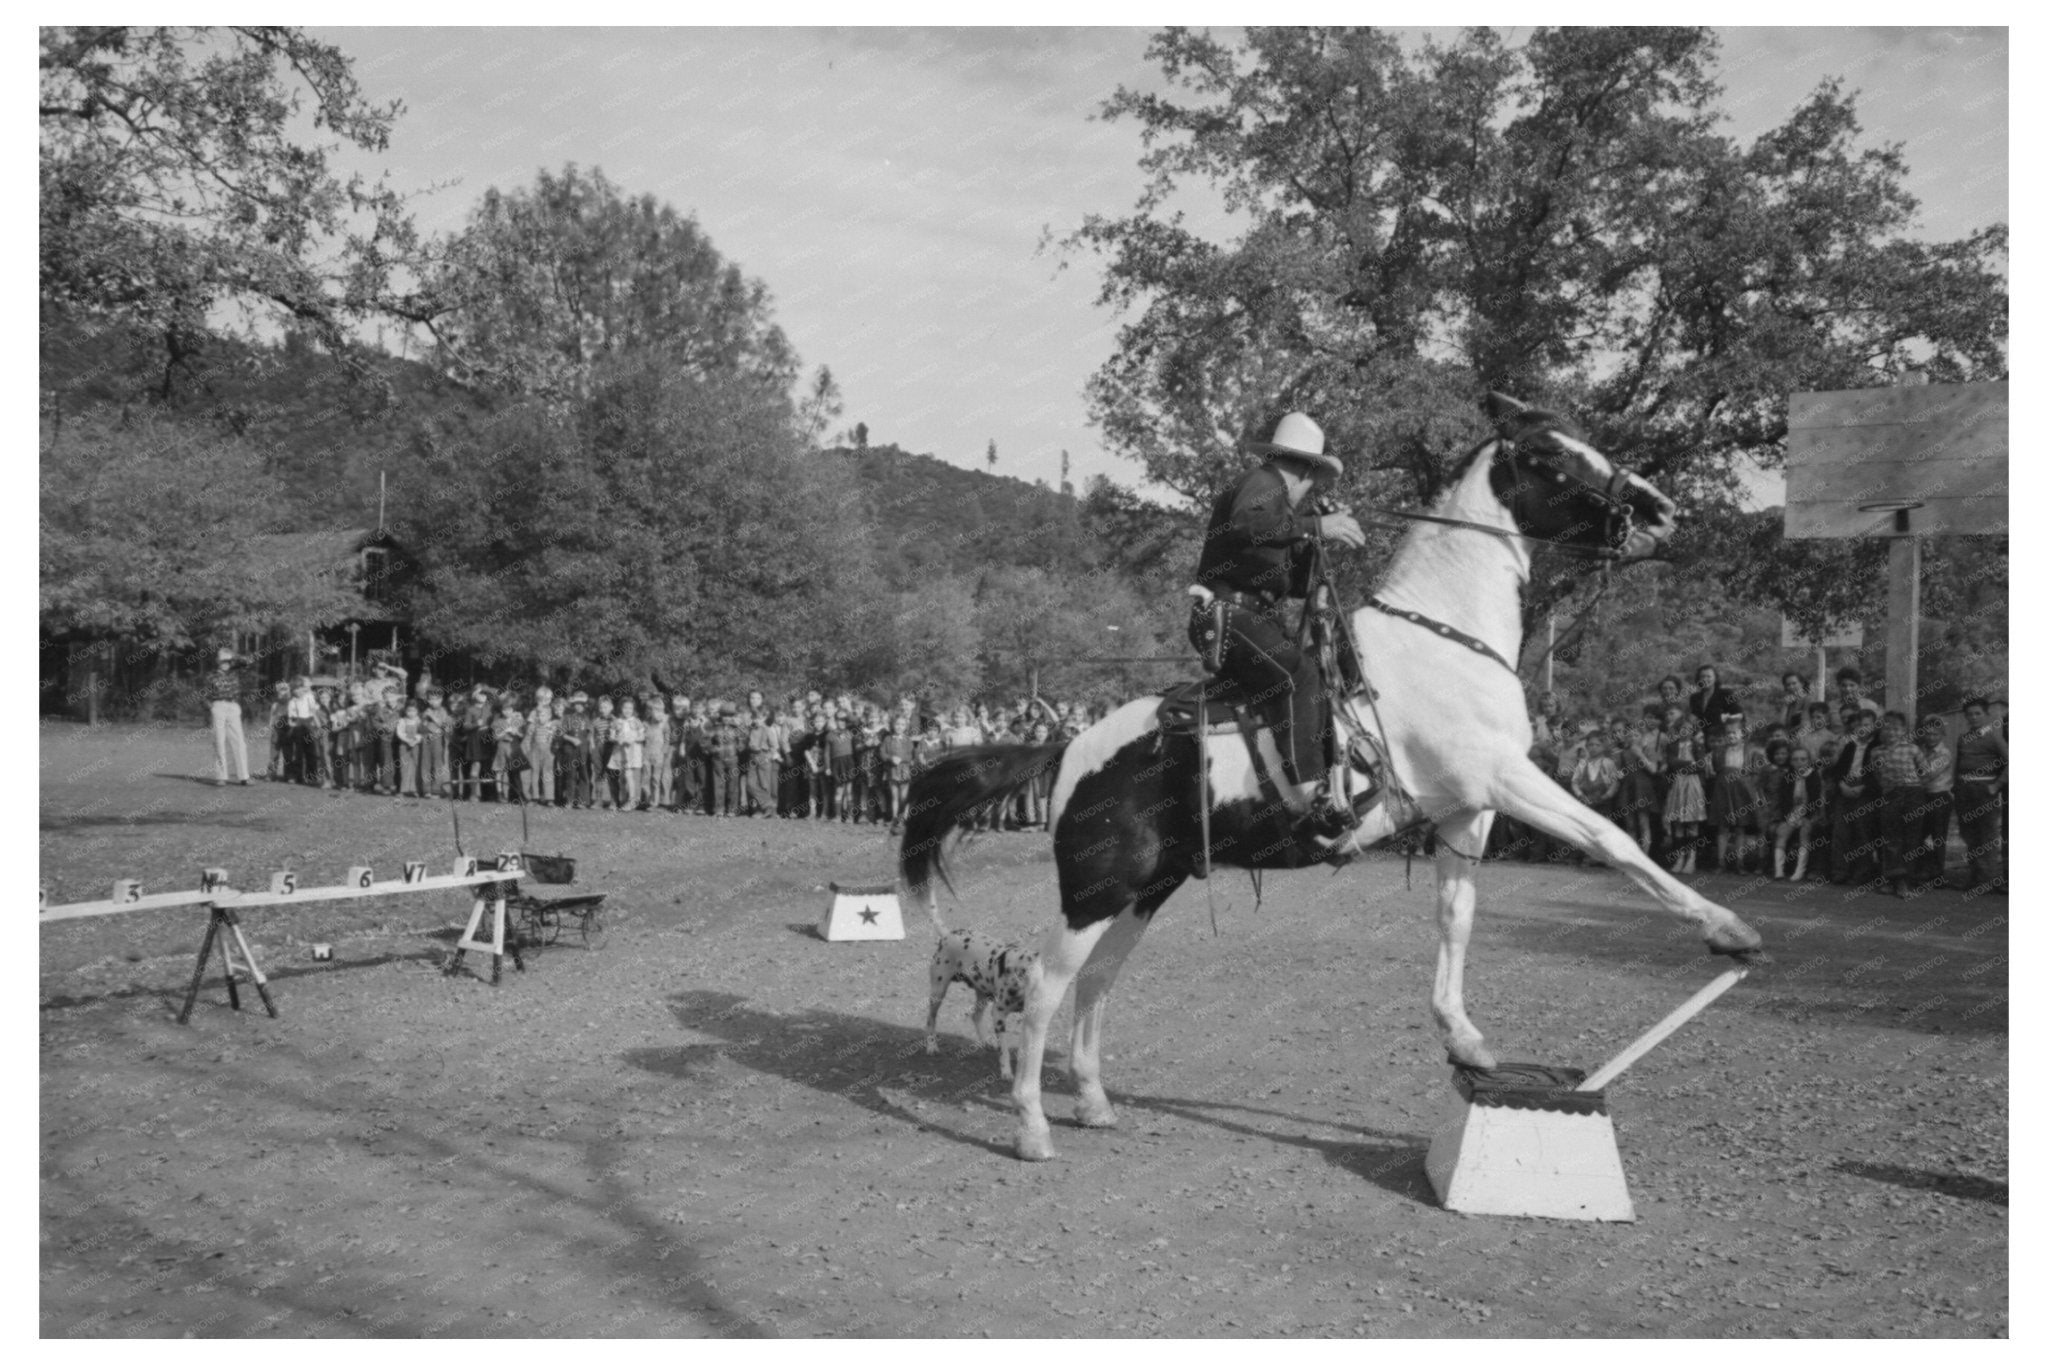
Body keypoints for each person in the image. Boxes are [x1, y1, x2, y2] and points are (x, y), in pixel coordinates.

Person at [1186, 411, 1367, 847]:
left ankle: (1309, 788)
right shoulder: (1263, 482)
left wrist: (1316, 541)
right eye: (1315, 481)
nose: (1313, 493)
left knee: (1315, 679)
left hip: (1252, 618)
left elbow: (1297, 585)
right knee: (1299, 676)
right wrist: (1315, 526)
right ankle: (1308, 796)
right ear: (1306, 468)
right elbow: (1249, 525)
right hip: (1231, 615)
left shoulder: (1281, 512)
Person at [1953, 697, 2006, 892]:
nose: (1973, 717)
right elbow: (1959, 764)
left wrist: (1997, 785)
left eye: (1978, 713)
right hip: (1964, 791)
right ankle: (1974, 877)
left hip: (1984, 790)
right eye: (1970, 714)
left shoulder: (1993, 737)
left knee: (1987, 836)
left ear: (1986, 715)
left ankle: (1989, 880)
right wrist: (1955, 787)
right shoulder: (1963, 738)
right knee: (1969, 834)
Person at [1870, 711, 1927, 897]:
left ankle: (1907, 881)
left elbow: (1924, 771)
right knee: (1891, 838)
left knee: (1911, 837)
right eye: (1887, 728)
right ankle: (1892, 879)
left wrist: (1914, 787)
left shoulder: (1912, 749)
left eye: (1896, 728)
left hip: (1912, 793)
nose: (1891, 732)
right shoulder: (1876, 752)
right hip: (1890, 795)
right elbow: (1877, 775)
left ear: (1903, 730)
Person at [1828, 710, 1882, 886]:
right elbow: (1838, 771)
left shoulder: (1878, 746)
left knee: (1862, 830)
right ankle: (1839, 871)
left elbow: (1879, 774)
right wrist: (1842, 785)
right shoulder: (1850, 746)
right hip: (1845, 789)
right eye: (1858, 725)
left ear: (1873, 725)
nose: (1862, 728)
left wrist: (1863, 787)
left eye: (1866, 724)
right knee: (1840, 831)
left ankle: (1862, 873)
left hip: (1866, 790)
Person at [1704, 712, 1762, 875]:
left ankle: (1739, 862)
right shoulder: (1719, 752)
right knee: (1723, 827)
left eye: (1734, 733)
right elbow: (1716, 770)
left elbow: (1755, 773)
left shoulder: (1750, 751)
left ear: (1742, 733)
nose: (1731, 736)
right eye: (1728, 733)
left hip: (1741, 791)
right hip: (1723, 791)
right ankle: (1721, 862)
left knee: (1740, 827)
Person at [1661, 709, 1705, 874]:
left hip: (1692, 784)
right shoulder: (1673, 746)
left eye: (1688, 728)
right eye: (1682, 729)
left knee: (1692, 821)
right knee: (1678, 822)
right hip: (1678, 784)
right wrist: (1687, 764)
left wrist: (1686, 765)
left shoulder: (1697, 745)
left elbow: (1701, 765)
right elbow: (1671, 763)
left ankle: (1691, 858)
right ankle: (1680, 857)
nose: (1685, 731)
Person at [1913, 715, 1955, 887]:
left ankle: (1938, 875)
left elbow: (1928, 773)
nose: (1931, 737)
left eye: (1935, 734)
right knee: (1918, 834)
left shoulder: (1944, 753)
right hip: (1923, 796)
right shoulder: (1920, 749)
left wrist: (1909, 779)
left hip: (1939, 796)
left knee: (1938, 836)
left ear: (1941, 735)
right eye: (1928, 734)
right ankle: (1925, 867)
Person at [1772, 745, 1824, 881]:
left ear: (1808, 761)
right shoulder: (1787, 777)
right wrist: (1787, 817)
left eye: (1803, 759)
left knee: (1804, 833)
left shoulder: (1814, 776)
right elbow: (1783, 800)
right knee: (1782, 833)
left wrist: (1807, 817)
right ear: (1791, 762)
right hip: (1792, 813)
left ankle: (1799, 871)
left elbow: (1816, 799)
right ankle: (1779, 871)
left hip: (1809, 813)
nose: (1799, 762)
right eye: (1795, 759)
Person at [205, 648, 253, 786]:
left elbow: (247, 661)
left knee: (239, 742)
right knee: (219, 741)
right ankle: (221, 776)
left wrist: (233, 655)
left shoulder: (236, 671)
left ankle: (244, 776)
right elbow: (203, 695)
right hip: (218, 705)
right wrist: (212, 707)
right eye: (222, 660)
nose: (225, 663)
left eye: (228, 661)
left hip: (233, 706)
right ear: (217, 661)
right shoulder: (211, 676)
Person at [1689, 664, 1745, 731]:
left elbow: (1739, 715)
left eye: (1708, 676)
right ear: (1698, 679)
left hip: (1722, 735)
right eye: (1702, 676)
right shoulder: (1694, 698)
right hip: (1701, 736)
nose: (1705, 679)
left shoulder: (1726, 694)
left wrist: (1723, 719)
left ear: (1715, 678)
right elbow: (1694, 718)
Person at [396, 700, 423, 797]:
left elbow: (422, 732)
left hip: (416, 745)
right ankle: (403, 789)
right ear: (405, 711)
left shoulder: (419, 721)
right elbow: (400, 732)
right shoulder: (402, 721)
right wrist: (407, 740)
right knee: (404, 766)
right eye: (409, 711)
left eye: (413, 711)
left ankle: (415, 789)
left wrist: (416, 739)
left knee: (416, 766)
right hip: (404, 745)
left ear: (417, 711)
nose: (411, 713)